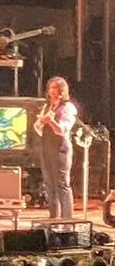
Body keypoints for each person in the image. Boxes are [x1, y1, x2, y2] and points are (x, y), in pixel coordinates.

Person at [36, 77, 77, 223]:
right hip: (46, 147)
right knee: (49, 184)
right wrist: (41, 122)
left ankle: (67, 219)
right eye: (50, 88)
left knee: (61, 184)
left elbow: (62, 129)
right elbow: (38, 127)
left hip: (61, 149)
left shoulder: (68, 107)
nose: (52, 91)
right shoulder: (47, 106)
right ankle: (53, 217)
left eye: (55, 88)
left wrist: (50, 121)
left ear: (62, 90)